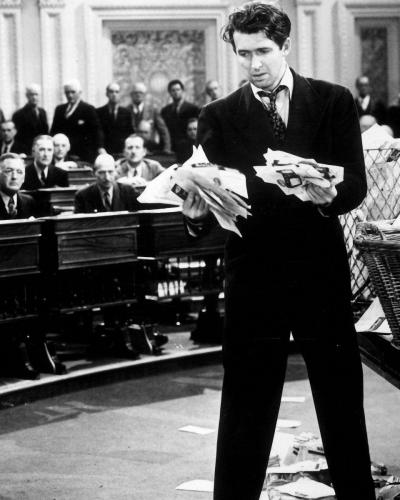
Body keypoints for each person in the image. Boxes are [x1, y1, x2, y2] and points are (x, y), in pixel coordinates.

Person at [182, 3, 376, 499]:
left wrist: (332, 193)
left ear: (285, 46)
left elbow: (356, 181)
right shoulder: (218, 116)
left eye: (263, 51)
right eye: (243, 53)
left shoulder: (332, 101)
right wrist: (193, 211)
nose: (254, 64)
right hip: (254, 275)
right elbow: (208, 207)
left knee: (339, 398)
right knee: (246, 400)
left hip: (319, 269)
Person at [50, 79, 103, 163]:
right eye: (67, 92)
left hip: (83, 154)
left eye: (73, 92)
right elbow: (54, 131)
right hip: (63, 154)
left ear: (80, 93)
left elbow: (97, 131)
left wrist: (100, 148)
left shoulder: (88, 109)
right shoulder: (59, 110)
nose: (70, 95)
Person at [74, 153, 139, 213]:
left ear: (116, 171)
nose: (107, 177)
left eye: (110, 172)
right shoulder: (82, 196)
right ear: (93, 173)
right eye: (101, 172)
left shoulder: (129, 192)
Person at [128, 82, 171, 154]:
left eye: (141, 93)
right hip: (132, 149)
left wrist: (167, 149)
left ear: (144, 95)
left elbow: (163, 131)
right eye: (135, 93)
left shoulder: (152, 110)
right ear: (131, 95)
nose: (138, 95)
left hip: (149, 149)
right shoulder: (126, 111)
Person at [161, 79, 200, 151]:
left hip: (188, 146)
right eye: (173, 90)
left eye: (178, 89)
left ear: (182, 91)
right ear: (169, 92)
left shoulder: (193, 109)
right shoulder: (165, 111)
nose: (176, 92)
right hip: (172, 147)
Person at [96, 82, 134, 157]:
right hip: (104, 152)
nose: (114, 94)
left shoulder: (126, 113)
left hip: (122, 152)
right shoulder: (98, 112)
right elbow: (97, 132)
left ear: (120, 94)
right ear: (106, 94)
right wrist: (100, 148)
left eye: (117, 92)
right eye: (111, 92)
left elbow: (130, 132)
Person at [12, 83, 49, 155]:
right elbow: (17, 137)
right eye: (31, 95)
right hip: (26, 150)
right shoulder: (19, 114)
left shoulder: (42, 112)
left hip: (42, 150)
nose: (34, 97)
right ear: (27, 96)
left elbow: (45, 132)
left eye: (36, 94)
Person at [0, 153, 36, 219]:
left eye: (19, 172)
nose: (14, 177)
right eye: (9, 171)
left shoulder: (29, 201)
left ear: (23, 178)